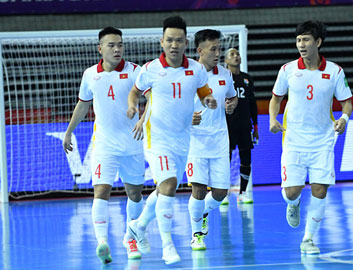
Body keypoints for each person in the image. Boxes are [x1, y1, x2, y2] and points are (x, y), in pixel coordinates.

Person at [125, 16, 217, 265]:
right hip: (156, 137)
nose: (173, 45)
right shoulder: (151, 69)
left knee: (166, 188)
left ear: (185, 42)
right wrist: (133, 107)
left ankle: (138, 225)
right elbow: (135, 91)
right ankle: (167, 245)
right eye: (169, 40)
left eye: (178, 40)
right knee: (169, 183)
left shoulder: (196, 69)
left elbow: (203, 91)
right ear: (161, 42)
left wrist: (208, 100)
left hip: (182, 138)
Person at [269, 20, 353, 254]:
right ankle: (293, 204)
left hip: (323, 141)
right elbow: (276, 99)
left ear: (318, 42)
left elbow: (347, 104)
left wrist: (343, 120)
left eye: (306, 40)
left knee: (320, 190)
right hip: (293, 140)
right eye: (298, 40)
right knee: (292, 191)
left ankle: (308, 240)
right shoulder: (287, 70)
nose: (301, 45)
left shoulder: (335, 71)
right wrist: (273, 119)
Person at [62, 27, 145, 264]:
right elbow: (83, 105)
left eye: (120, 44)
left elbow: (152, 99)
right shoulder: (90, 74)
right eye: (111, 45)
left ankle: (130, 238)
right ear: (100, 48)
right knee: (101, 191)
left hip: (133, 144)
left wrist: (142, 118)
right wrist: (69, 132)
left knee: (135, 194)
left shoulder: (135, 72)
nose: (117, 48)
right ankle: (102, 243)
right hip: (104, 145)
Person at [186, 29, 238, 251]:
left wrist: (232, 104)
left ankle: (203, 213)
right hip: (194, 140)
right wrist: (189, 116)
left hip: (219, 140)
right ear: (200, 50)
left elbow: (232, 96)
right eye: (213, 49)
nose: (218, 53)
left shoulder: (225, 75)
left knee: (220, 193)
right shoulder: (187, 74)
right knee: (198, 189)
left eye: (219, 48)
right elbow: (174, 103)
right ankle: (196, 234)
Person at [225, 48, 258, 204]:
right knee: (225, 160)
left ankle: (243, 193)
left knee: (246, 160)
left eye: (237, 53)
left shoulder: (247, 79)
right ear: (226, 61)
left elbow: (253, 104)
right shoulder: (223, 78)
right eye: (232, 54)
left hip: (245, 127)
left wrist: (256, 127)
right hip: (227, 127)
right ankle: (223, 193)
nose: (236, 56)